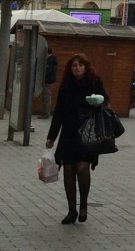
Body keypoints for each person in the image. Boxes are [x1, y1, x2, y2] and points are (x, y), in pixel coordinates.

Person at [45, 53, 110, 224]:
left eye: (80, 65)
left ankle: (84, 206)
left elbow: (105, 102)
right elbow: (59, 112)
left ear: (86, 67)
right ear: (70, 68)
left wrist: (97, 102)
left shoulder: (94, 82)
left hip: (87, 132)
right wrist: (51, 136)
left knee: (82, 168)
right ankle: (71, 210)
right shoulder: (66, 85)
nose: (77, 68)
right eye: (74, 65)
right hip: (68, 133)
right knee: (68, 169)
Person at [40, 46, 58, 118]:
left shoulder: (49, 60)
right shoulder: (52, 59)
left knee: (46, 97)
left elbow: (47, 71)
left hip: (47, 81)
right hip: (49, 80)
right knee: (45, 97)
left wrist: (42, 77)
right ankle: (45, 113)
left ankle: (46, 114)